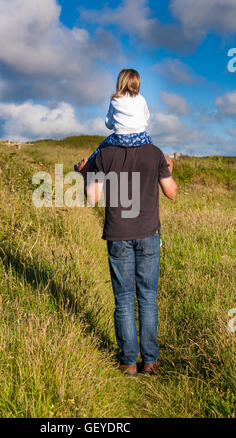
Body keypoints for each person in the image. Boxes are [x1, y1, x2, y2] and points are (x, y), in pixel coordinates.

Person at [75, 144, 178, 377]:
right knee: (148, 299)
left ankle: (128, 363)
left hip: (118, 235)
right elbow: (171, 192)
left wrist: (84, 174)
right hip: (149, 236)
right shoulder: (154, 153)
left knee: (123, 300)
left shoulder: (105, 153)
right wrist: (168, 168)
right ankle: (150, 361)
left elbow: (93, 198)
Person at [74, 69, 152, 173]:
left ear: (120, 82)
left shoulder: (115, 99)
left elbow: (108, 123)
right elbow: (147, 116)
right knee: (153, 149)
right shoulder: (142, 99)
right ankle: (162, 164)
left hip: (120, 138)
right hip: (140, 137)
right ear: (137, 83)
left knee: (100, 149)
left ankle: (86, 166)